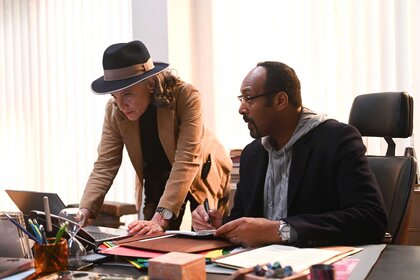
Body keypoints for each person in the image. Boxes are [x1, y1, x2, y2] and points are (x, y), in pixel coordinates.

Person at [192, 61, 387, 248]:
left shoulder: (336, 140)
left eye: (248, 98)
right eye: (241, 99)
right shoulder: (252, 154)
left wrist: (279, 230)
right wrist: (221, 226)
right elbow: (245, 221)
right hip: (260, 268)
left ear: (280, 101)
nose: (241, 108)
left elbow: (370, 219)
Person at [79, 40, 232, 234]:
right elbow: (105, 165)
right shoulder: (114, 110)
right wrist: (83, 212)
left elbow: (186, 160)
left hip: (201, 171)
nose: (121, 104)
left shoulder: (186, 96)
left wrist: (161, 218)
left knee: (205, 234)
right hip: (156, 174)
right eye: (114, 96)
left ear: (150, 83)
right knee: (149, 237)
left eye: (127, 94)